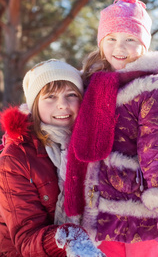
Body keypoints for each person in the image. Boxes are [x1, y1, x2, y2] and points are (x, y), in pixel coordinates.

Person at [63, 0, 158, 257]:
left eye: (130, 40)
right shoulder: (92, 85)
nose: (119, 48)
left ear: (144, 45)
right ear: (101, 42)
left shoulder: (152, 88)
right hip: (100, 214)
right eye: (111, 39)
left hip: (141, 215)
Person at [0, 59, 106, 257]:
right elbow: (26, 238)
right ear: (34, 106)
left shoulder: (94, 145)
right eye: (50, 97)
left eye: (71, 95)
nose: (62, 105)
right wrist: (69, 238)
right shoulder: (15, 159)